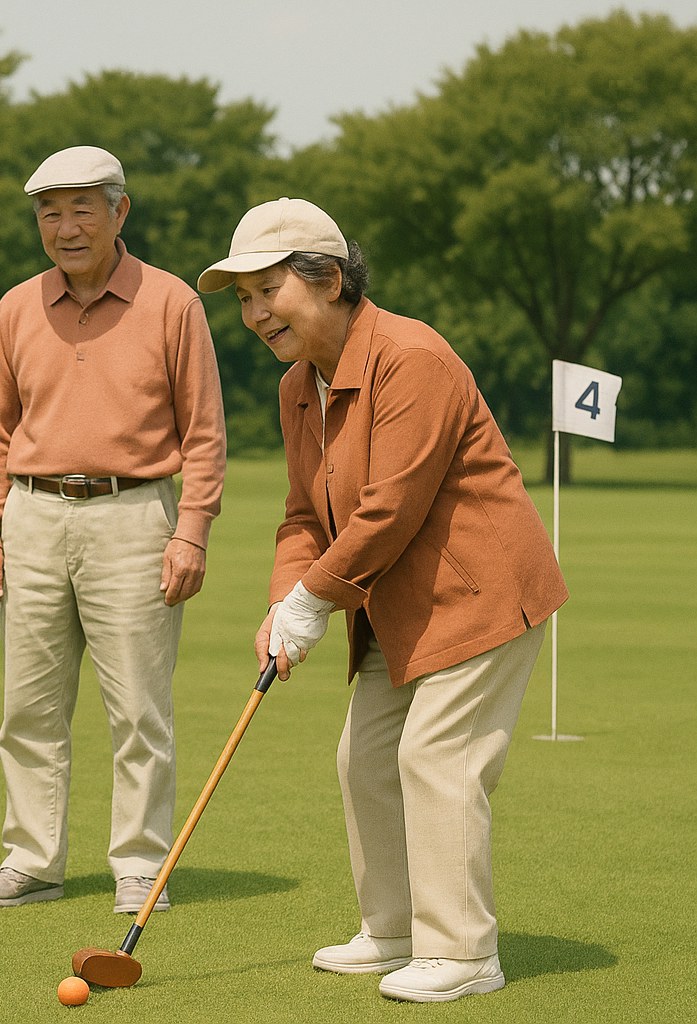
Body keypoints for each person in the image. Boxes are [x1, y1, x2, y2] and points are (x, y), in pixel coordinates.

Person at [197, 198, 568, 1003]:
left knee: (438, 758)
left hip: (479, 592)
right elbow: (303, 516)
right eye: (244, 299)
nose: (257, 313)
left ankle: (464, 952)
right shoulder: (301, 387)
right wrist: (283, 604)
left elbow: (389, 509)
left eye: (269, 290)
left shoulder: (412, 358)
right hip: (394, 604)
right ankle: (396, 930)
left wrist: (313, 599)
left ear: (329, 279)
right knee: (364, 759)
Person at [0, 146, 227, 914]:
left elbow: (205, 433)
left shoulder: (173, 302)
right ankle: (32, 860)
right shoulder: (15, 308)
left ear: (121, 211)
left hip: (137, 515)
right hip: (31, 515)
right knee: (29, 707)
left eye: (83, 208)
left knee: (141, 708)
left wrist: (194, 530)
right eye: (50, 211)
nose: (66, 226)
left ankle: (141, 866)